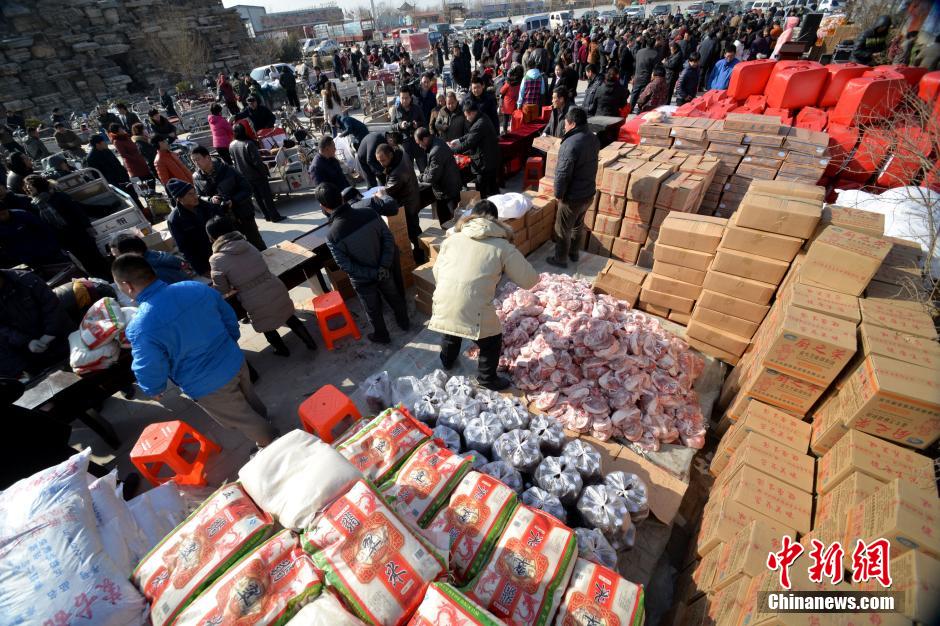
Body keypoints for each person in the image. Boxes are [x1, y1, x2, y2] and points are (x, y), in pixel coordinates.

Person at [113, 254, 278, 447]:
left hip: (206, 383)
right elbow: (228, 316)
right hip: (234, 360)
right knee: (248, 397)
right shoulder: (194, 287)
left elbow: (148, 365)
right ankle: (265, 421)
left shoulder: (141, 326)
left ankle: (272, 443)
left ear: (127, 286)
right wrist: (230, 342)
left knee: (242, 419)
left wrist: (154, 389)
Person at [429, 200, 538, 391]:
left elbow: (436, 271)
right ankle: (487, 379)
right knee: (491, 340)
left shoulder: (451, 239)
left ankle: (447, 361)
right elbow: (530, 280)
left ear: (471, 217)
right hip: (473, 308)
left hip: (442, 300)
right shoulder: (502, 246)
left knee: (452, 326)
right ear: (496, 221)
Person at [206, 216, 317, 356]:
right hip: (274, 285)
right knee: (288, 314)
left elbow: (222, 290)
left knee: (266, 325)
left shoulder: (216, 259)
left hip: (252, 298)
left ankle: (282, 350)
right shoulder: (247, 243)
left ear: (212, 237)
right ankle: (310, 342)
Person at [317, 183, 409, 344]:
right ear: (342, 198)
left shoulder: (332, 236)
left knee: (373, 309)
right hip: (384, 270)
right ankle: (404, 323)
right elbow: (388, 239)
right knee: (394, 297)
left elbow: (345, 265)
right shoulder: (369, 213)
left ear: (323, 207)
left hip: (363, 280)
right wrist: (383, 267)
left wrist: (372, 273)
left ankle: (382, 335)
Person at [546, 107, 599, 268]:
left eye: (566, 124)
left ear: (573, 123)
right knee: (577, 225)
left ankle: (560, 259)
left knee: (562, 228)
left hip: (573, 196)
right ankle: (574, 253)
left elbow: (562, 173)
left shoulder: (570, 144)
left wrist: (558, 194)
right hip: (588, 192)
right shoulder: (592, 137)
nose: (564, 127)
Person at [190, 145, 266, 251]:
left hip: (243, 213)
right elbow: (199, 197)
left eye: (198, 159)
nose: (196, 163)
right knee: (235, 249)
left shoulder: (227, 169)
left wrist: (233, 200)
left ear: (207, 157)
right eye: (193, 161)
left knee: (257, 243)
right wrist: (210, 200)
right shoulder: (196, 177)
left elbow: (247, 189)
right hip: (222, 220)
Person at [0, 269, 72, 378]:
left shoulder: (27, 280)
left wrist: (50, 333)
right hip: (32, 353)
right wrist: (26, 342)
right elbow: (3, 329)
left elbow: (52, 306)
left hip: (63, 339)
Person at [376, 143, 424, 263]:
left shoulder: (397, 173)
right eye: (379, 161)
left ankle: (421, 255)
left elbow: (386, 191)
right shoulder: (400, 153)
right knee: (415, 228)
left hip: (408, 204)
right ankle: (421, 251)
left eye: (383, 160)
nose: (381, 164)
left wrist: (379, 194)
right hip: (412, 198)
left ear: (391, 155)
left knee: (413, 231)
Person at [164, 178, 221, 275]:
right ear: (179, 199)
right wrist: (201, 270)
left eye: (194, 192)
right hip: (207, 263)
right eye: (190, 194)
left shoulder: (206, 206)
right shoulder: (174, 220)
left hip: (222, 251)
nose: (195, 196)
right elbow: (185, 249)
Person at [229, 124, 284, 223]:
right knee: (266, 197)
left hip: (244, 176)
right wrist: (264, 172)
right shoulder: (249, 144)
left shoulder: (231, 145)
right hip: (257, 174)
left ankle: (266, 216)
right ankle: (274, 216)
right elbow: (257, 162)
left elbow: (234, 161)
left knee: (257, 197)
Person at [450, 100, 501, 199]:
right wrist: (459, 140)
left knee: (483, 189)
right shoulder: (482, 117)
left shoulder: (479, 124)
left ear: (472, 113)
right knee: (493, 187)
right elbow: (471, 134)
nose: (466, 118)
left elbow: (469, 143)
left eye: (467, 116)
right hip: (491, 158)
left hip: (485, 162)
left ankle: (487, 205)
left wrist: (452, 150)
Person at [0, 200, 68, 272]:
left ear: (7, 210)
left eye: (3, 213)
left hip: (48, 251)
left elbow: (45, 230)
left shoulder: (23, 215)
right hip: (29, 259)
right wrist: (18, 258)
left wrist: (53, 247)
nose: (2, 217)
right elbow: (5, 246)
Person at [415, 127, 461, 226]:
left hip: (447, 191)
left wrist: (420, 177)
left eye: (419, 143)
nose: (419, 146)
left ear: (425, 139)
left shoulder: (435, 151)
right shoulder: (436, 142)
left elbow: (432, 177)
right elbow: (431, 167)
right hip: (449, 186)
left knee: (448, 222)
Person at [109, 233, 190, 284]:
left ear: (133, 252)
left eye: (118, 256)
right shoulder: (155, 256)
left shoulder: (154, 271)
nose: (117, 260)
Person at [389, 86, 428, 170]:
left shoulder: (417, 108)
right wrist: (400, 125)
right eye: (402, 98)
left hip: (418, 145)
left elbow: (425, 123)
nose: (404, 100)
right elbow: (392, 126)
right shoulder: (395, 110)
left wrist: (417, 124)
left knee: (424, 170)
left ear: (410, 97)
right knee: (408, 172)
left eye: (406, 98)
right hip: (404, 147)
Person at [631, 38, 660, 109]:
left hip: (637, 75)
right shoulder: (655, 54)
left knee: (634, 93)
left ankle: (630, 108)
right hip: (646, 76)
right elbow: (656, 67)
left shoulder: (639, 51)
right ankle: (640, 109)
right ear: (654, 44)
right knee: (643, 94)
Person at [499, 64, 522, 134]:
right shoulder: (520, 82)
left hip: (507, 103)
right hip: (515, 103)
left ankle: (505, 131)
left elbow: (501, 91)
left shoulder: (508, 83)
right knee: (513, 118)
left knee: (505, 119)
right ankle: (513, 130)